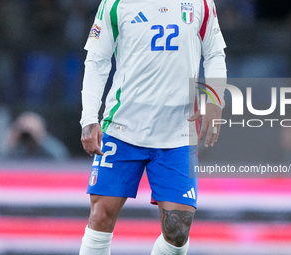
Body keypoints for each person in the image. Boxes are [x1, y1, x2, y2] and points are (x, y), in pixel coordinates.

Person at [79, 0, 227, 254]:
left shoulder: (201, 3)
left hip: (178, 133)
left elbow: (214, 53)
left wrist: (215, 98)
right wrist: (89, 118)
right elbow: (97, 60)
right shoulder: (114, 3)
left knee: (178, 232)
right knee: (101, 216)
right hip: (122, 128)